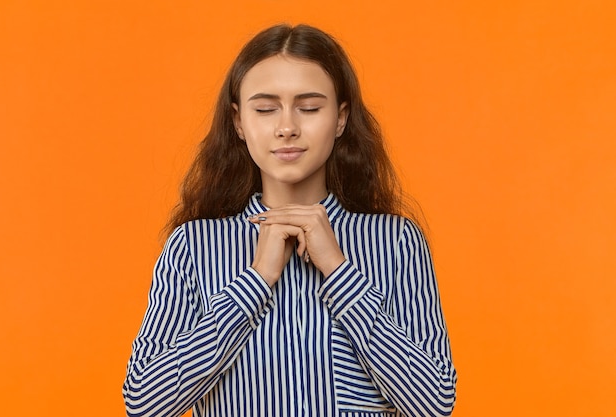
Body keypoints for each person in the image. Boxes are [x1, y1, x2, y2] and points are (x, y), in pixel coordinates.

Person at [123, 24, 457, 417]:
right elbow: (144, 401)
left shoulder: (396, 242)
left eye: (310, 107)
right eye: (265, 109)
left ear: (340, 118)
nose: (287, 128)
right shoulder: (193, 247)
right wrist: (256, 282)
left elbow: (434, 404)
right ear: (238, 123)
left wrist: (338, 271)